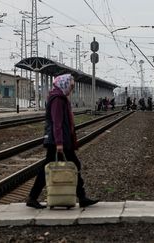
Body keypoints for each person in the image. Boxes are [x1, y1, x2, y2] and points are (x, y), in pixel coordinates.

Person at [26, 74, 99, 209]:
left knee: (66, 165)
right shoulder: (58, 99)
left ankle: (81, 196)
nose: (72, 89)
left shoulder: (60, 98)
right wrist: (59, 142)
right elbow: (57, 122)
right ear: (63, 84)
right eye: (71, 86)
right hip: (58, 141)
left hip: (61, 140)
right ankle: (33, 197)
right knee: (72, 165)